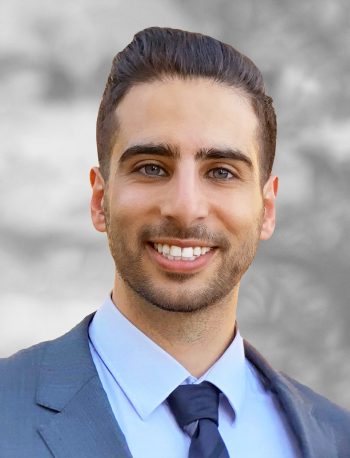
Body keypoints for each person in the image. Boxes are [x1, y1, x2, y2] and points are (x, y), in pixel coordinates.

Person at [0, 27, 349, 458]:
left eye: (221, 171)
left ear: (267, 209)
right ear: (99, 199)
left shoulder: (338, 439)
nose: (185, 208)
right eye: (151, 167)